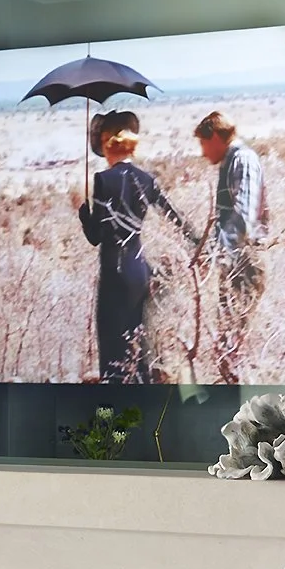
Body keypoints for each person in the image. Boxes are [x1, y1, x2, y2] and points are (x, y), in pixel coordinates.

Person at [77, 111, 194, 382]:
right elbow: (174, 215)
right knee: (138, 342)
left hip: (114, 270)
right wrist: (198, 241)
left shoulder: (103, 180)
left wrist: (85, 215)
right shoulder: (146, 179)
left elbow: (96, 236)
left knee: (111, 344)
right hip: (139, 269)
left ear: (109, 146)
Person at [194, 111, 267, 371]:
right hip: (235, 261)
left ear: (214, 137)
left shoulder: (242, 159)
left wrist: (218, 253)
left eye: (203, 144)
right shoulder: (231, 161)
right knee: (229, 341)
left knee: (236, 344)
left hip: (245, 262)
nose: (203, 153)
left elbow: (243, 216)